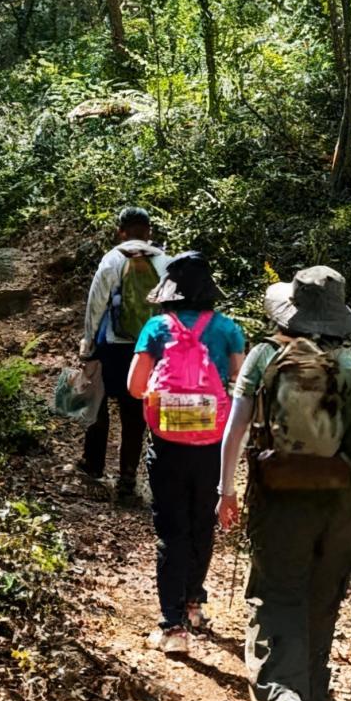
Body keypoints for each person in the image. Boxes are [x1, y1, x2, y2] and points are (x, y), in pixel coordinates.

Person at [217, 265, 351, 701]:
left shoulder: (265, 356)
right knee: (322, 596)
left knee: (277, 595)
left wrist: (225, 490)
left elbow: (235, 432)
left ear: (289, 310)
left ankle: (280, 698)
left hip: (278, 496)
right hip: (340, 502)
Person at [128, 253, 246, 654]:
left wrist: (168, 401)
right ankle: (194, 603)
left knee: (171, 532)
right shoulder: (228, 329)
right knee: (201, 525)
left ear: (169, 293)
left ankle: (172, 626)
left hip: (167, 444)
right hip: (213, 444)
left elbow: (133, 386)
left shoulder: (155, 328)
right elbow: (239, 383)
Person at [74, 207, 170, 504]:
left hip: (112, 346)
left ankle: (93, 467)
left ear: (121, 231)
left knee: (98, 405)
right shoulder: (165, 262)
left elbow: (96, 305)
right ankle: (128, 478)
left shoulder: (113, 259)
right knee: (134, 414)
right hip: (148, 348)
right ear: (149, 231)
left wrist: (89, 344)